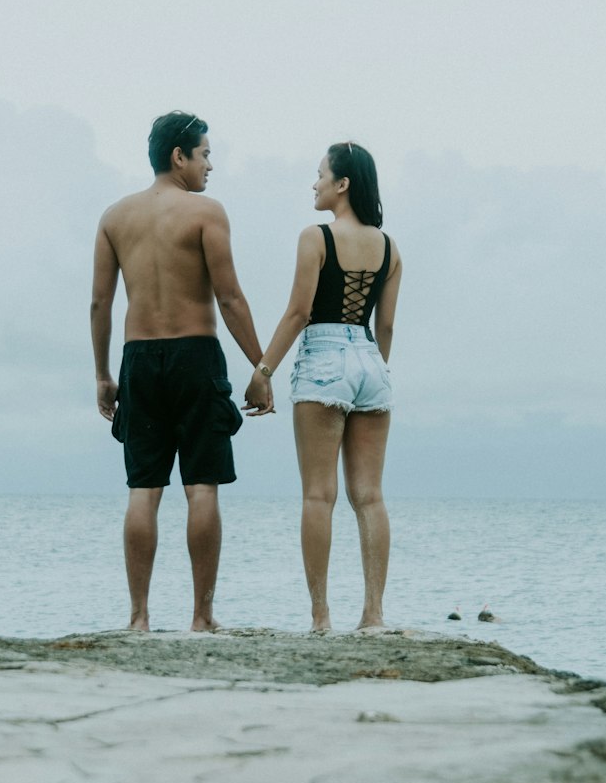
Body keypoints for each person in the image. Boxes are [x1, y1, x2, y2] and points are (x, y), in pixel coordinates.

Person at [91, 112, 272, 632]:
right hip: (195, 355)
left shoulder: (114, 217)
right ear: (180, 156)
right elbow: (230, 296)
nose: (210, 166)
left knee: (143, 491)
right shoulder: (206, 212)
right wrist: (260, 366)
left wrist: (104, 373)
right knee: (202, 488)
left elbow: (100, 303)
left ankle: (139, 619)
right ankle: (202, 617)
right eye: (205, 154)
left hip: (139, 359)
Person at [244, 142, 401, 632]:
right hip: (371, 359)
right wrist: (368, 371)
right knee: (369, 496)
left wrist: (263, 370)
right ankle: (373, 616)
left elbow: (298, 312)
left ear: (343, 184)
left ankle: (320, 619)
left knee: (318, 495)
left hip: (324, 354)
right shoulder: (390, 248)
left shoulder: (316, 238)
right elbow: (388, 327)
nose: (314, 184)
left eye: (319, 175)